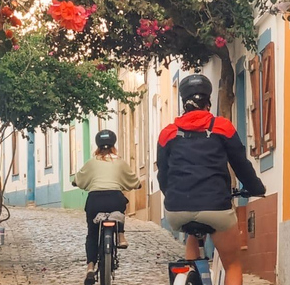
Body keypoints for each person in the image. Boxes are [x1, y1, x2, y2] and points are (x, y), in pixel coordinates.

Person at [157, 74, 266, 285]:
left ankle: (189, 272)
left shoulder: (167, 133)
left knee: (192, 229)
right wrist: (255, 187)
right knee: (232, 263)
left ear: (183, 101)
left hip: (176, 209)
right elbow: (240, 165)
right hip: (216, 206)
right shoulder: (222, 127)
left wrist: (172, 194)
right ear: (208, 100)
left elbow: (163, 173)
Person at [74, 129, 140, 285]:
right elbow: (133, 181)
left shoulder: (91, 162)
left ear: (97, 146)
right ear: (113, 145)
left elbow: (79, 179)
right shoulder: (119, 162)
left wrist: (76, 182)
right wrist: (135, 185)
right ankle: (121, 235)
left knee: (92, 233)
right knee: (121, 202)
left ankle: (90, 268)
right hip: (114, 199)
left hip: (95, 201)